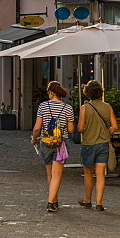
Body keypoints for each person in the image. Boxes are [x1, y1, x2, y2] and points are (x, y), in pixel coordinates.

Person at [31, 82, 74, 213]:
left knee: (50, 173)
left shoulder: (43, 106)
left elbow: (37, 127)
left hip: (46, 141)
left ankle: (53, 200)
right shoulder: (67, 107)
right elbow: (71, 129)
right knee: (57, 174)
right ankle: (51, 202)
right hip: (61, 143)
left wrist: (34, 139)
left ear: (51, 92)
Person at [77, 80, 117, 211]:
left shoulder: (84, 108)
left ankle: (87, 200)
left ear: (87, 93)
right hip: (103, 143)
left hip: (88, 143)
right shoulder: (107, 106)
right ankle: (99, 203)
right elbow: (114, 126)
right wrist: (107, 132)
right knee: (100, 174)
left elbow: (80, 128)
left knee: (88, 173)